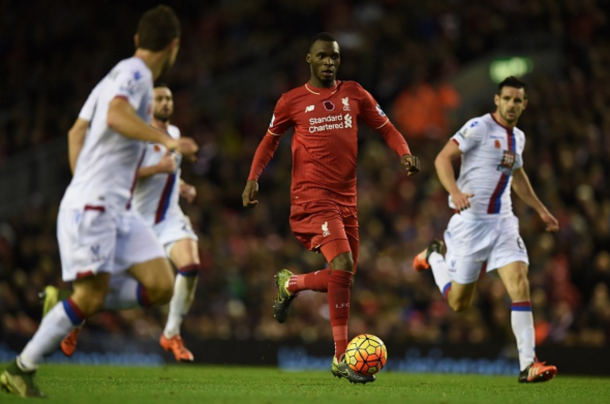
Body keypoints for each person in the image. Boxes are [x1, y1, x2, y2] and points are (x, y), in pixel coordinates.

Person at [0, 5, 197, 398]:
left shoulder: (113, 77)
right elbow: (116, 114)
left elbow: (77, 131)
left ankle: (69, 306)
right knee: (90, 296)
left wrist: (85, 176)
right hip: (94, 205)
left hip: (116, 207)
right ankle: (21, 368)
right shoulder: (137, 75)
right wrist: (167, 140)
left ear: (139, 38)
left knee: (161, 284)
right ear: (173, 47)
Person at [242, 32, 420, 384]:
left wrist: (405, 153)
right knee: (343, 264)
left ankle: (291, 284)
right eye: (322, 56)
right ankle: (341, 358)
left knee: (343, 277)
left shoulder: (354, 93)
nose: (329, 62)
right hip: (312, 197)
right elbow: (269, 140)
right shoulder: (291, 101)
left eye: (334, 57)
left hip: (347, 199)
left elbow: (386, 128)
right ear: (309, 59)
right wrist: (253, 177)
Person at [412, 76, 559, 383]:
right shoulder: (478, 128)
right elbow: (442, 159)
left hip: (503, 222)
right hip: (469, 224)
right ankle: (435, 256)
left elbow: (517, 176)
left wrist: (541, 210)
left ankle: (528, 363)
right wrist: (453, 192)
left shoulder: (518, 137)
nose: (512, 105)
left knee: (520, 283)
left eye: (518, 100)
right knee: (458, 303)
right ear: (497, 100)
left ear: (524, 104)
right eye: (507, 98)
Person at [57, 84, 201, 362]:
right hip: (134, 222)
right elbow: (122, 174)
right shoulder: (135, 137)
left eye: (169, 98)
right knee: (97, 285)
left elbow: (171, 170)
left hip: (168, 218)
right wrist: (158, 169)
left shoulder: (173, 134)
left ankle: (171, 333)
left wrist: (182, 186)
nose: (166, 103)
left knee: (191, 264)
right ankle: (72, 322)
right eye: (159, 98)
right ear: (149, 104)